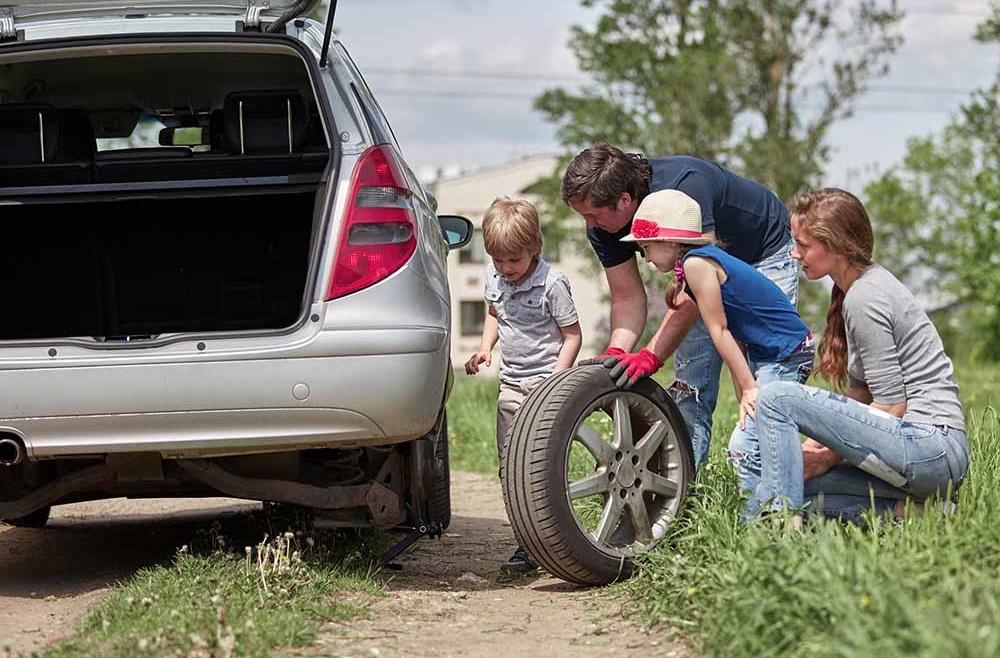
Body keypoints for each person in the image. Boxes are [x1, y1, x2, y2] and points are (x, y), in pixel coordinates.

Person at [562, 143, 797, 469]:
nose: (589, 225)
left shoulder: (686, 187)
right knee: (690, 387)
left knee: (764, 381)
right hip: (699, 277)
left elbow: (698, 281)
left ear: (625, 201)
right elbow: (628, 296)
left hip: (762, 254)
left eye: (592, 215)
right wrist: (617, 353)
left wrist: (651, 354)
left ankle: (769, 492)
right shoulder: (604, 225)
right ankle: (684, 494)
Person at [752, 188, 969, 524]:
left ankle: (777, 525)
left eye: (804, 245)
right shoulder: (858, 289)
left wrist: (826, 457)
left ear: (836, 245)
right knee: (800, 487)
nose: (795, 254)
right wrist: (812, 449)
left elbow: (891, 407)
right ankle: (922, 515)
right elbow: (861, 394)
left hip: (931, 447)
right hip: (922, 454)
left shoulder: (866, 297)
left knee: (776, 397)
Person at [612, 189, 814, 517]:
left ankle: (766, 528)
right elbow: (737, 332)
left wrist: (750, 389)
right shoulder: (697, 263)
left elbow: (719, 331)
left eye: (646, 246)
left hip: (786, 355)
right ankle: (772, 518)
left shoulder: (698, 265)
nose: (645, 256)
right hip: (773, 354)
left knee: (744, 446)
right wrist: (745, 391)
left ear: (671, 241)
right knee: (756, 438)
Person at [464, 197, 582, 572]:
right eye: (498, 260)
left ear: (534, 248)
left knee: (541, 466)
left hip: (545, 385)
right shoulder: (494, 276)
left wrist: (556, 380)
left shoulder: (553, 284)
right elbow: (494, 313)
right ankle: (525, 546)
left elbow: (573, 336)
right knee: (509, 467)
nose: (505, 268)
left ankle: (556, 541)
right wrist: (485, 348)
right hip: (511, 386)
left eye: (513, 260)